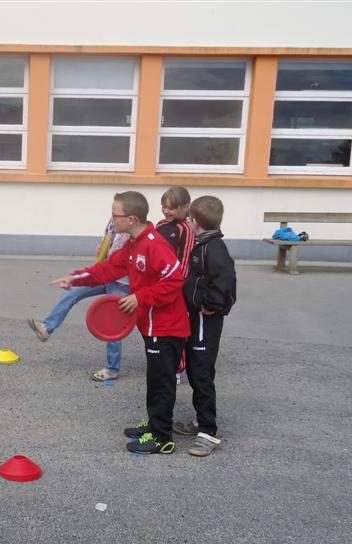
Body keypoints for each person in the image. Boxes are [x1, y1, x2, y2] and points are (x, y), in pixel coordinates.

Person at [50, 191, 189, 455]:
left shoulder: (154, 244)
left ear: (132, 219)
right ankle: (155, 423)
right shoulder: (134, 244)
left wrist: (139, 297)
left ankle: (162, 438)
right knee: (155, 379)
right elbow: (108, 269)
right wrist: (75, 278)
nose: (112, 219)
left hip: (167, 326)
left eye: (115, 215)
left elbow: (174, 280)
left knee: (162, 382)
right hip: (151, 325)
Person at [28, 218, 130, 382]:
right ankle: (47, 327)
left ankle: (112, 369)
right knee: (72, 293)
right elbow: (105, 246)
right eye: (113, 213)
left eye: (117, 214)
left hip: (122, 284)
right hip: (105, 275)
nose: (114, 217)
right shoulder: (112, 224)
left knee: (113, 325)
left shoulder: (133, 232)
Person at [173, 196, 237, 457]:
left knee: (201, 373)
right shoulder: (203, 245)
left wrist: (212, 304)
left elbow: (226, 280)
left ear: (195, 222)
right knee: (194, 370)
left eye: (189, 219)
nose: (188, 223)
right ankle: (200, 420)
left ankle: (208, 431)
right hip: (194, 318)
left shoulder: (215, 248)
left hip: (204, 321)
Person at [155, 186, 196, 384]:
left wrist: (175, 285)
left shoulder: (186, 230)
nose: (166, 211)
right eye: (164, 207)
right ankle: (161, 360)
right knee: (160, 325)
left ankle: (177, 368)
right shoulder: (160, 225)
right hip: (158, 284)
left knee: (175, 329)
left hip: (175, 287)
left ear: (185, 207)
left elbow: (185, 261)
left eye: (171, 208)